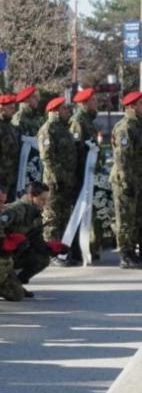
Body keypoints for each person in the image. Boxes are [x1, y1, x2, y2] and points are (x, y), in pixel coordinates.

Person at [37, 98, 78, 264]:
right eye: (64, 109)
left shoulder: (63, 128)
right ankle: (51, 253)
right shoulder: (48, 129)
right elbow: (47, 157)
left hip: (66, 180)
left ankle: (62, 252)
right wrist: (57, 178)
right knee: (52, 217)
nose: (67, 111)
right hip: (53, 182)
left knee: (64, 216)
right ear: (54, 111)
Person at [1, 182, 54, 293]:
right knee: (16, 295)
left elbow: (36, 237)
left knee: (42, 258)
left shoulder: (35, 213)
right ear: (31, 196)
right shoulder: (14, 210)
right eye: (42, 199)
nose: (44, 203)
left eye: (46, 200)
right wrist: (10, 242)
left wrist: (49, 249)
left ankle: (15, 283)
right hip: (2, 254)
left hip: (18, 253)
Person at [109, 91, 142, 269]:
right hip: (126, 180)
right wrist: (127, 181)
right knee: (125, 217)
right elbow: (122, 158)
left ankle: (135, 251)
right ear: (132, 106)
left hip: (138, 178)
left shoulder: (139, 125)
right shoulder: (125, 127)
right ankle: (126, 254)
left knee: (138, 217)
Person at [69, 88, 102, 260]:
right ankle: (76, 249)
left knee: (89, 210)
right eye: (93, 100)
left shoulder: (89, 121)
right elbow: (75, 149)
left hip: (88, 173)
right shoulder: (78, 121)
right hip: (80, 174)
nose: (96, 103)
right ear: (84, 103)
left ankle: (87, 246)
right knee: (79, 210)